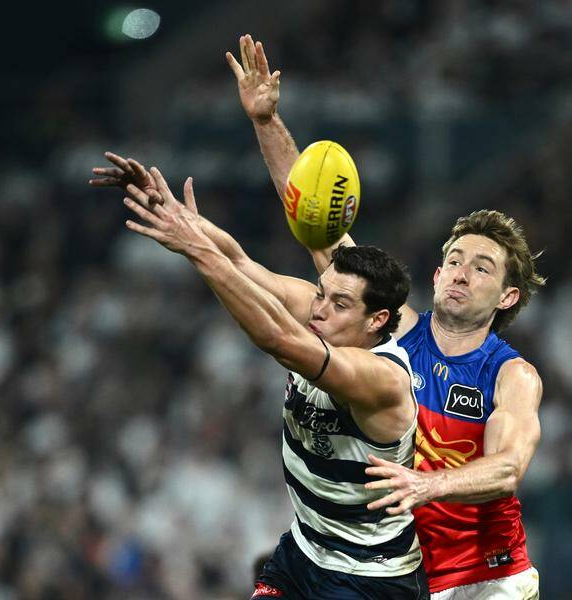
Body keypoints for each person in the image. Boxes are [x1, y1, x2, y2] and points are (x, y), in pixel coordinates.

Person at [226, 34, 545, 599]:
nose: (461, 272)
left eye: (481, 267)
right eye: (453, 260)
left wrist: (426, 486)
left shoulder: (510, 376)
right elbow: (314, 217)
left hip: (486, 581)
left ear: (507, 297)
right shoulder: (394, 331)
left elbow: (507, 469)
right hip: (399, 574)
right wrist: (266, 121)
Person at [90, 158, 429, 599]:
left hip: (368, 577)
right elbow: (239, 262)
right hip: (305, 551)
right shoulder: (321, 315)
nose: (320, 308)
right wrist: (181, 219)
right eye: (322, 294)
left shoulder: (381, 378)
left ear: (377, 320)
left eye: (340, 304)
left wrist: (196, 249)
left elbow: (278, 338)